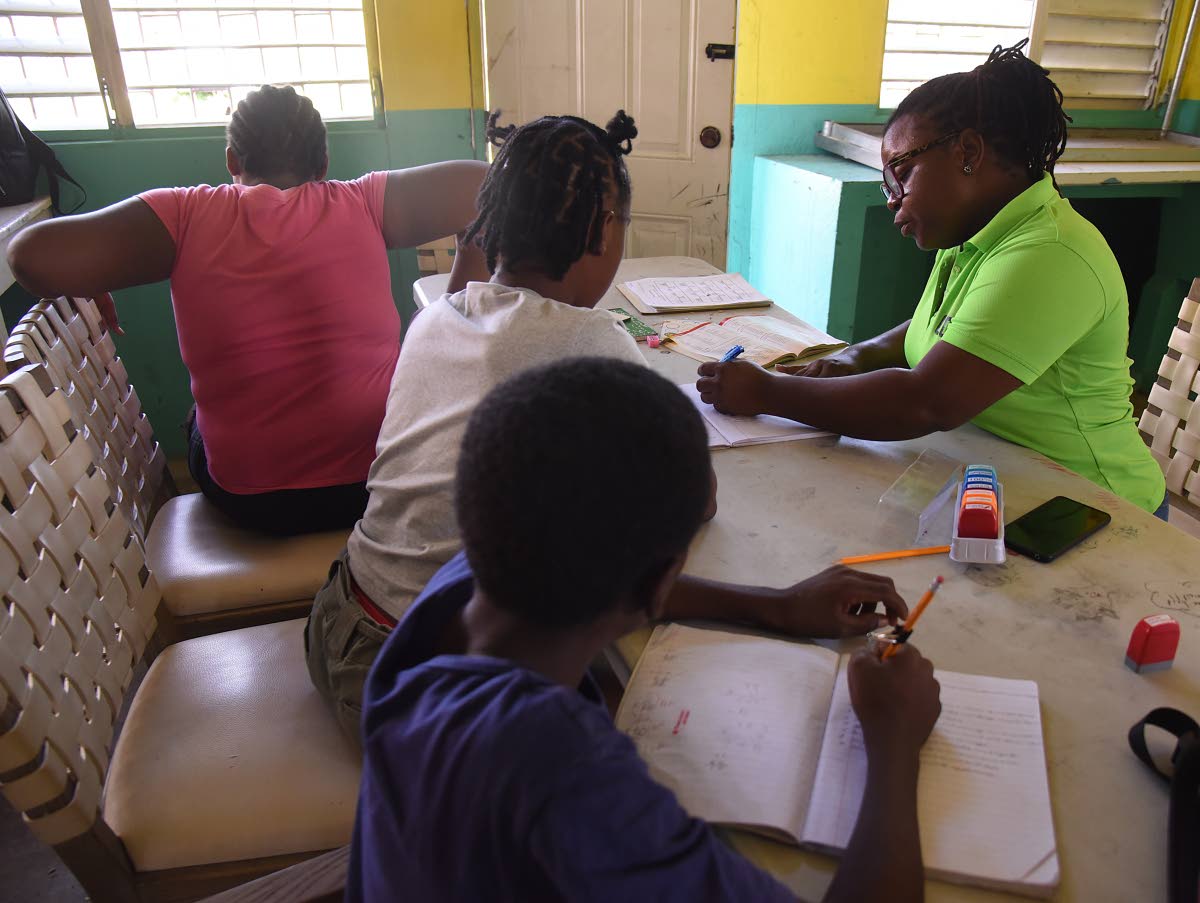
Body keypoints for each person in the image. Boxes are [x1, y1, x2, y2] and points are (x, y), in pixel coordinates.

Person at [305, 109, 910, 743]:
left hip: (339, 616)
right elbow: (692, 507)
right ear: (603, 230)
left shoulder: (440, 314)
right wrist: (776, 604)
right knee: (660, 727)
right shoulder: (587, 340)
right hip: (421, 682)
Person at [348, 357, 943, 903]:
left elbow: (604, 575)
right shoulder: (565, 774)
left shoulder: (465, 586)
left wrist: (774, 606)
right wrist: (892, 741)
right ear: (659, 580)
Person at [696, 42, 1166, 518]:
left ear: (968, 152)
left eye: (901, 174)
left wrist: (767, 392)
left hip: (1098, 509)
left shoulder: (1049, 254)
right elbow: (943, 328)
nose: (892, 199)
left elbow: (927, 402)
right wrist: (852, 359)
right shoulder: (974, 232)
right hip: (1007, 477)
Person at [7, 84, 490, 535]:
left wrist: (93, 274)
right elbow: (490, 187)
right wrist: (454, 304)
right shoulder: (364, 203)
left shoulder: (186, 215)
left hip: (252, 503)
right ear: (323, 164)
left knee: (201, 415)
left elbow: (29, 256)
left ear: (231, 160)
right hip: (378, 481)